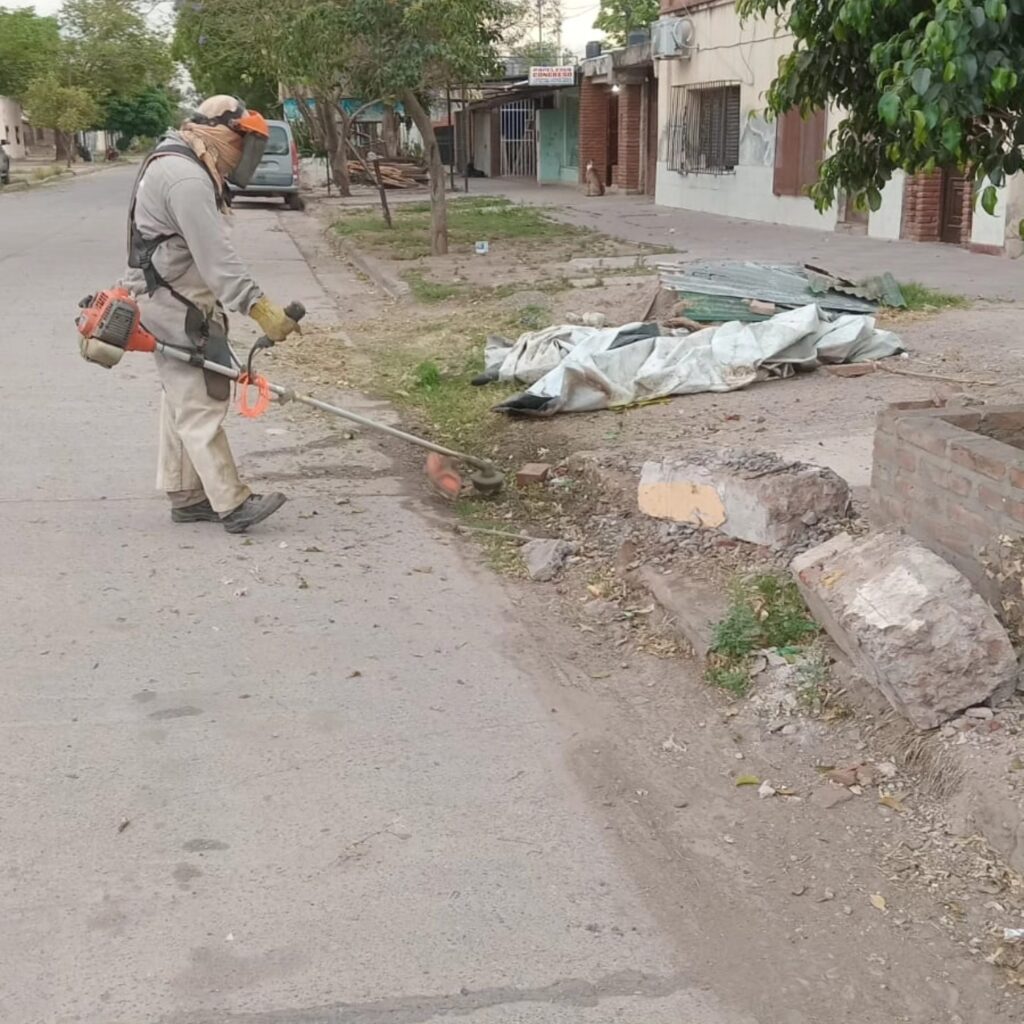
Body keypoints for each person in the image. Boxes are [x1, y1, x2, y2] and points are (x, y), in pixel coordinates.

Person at [122, 95, 301, 533]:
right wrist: (259, 307)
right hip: (172, 300)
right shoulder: (185, 177)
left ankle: (187, 496)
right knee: (201, 398)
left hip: (174, 293)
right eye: (243, 144)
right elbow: (216, 256)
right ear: (219, 132)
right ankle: (232, 503)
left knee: (181, 396)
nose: (243, 157)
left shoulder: (182, 161)